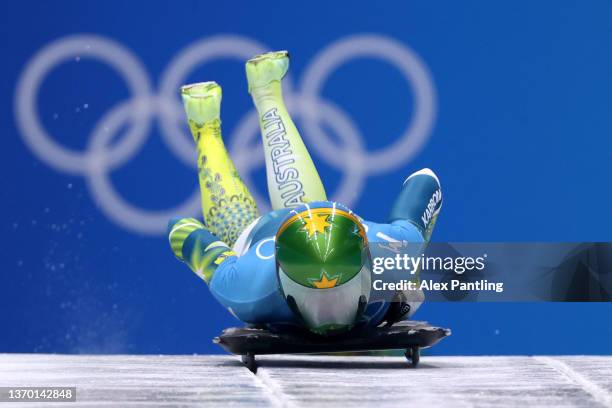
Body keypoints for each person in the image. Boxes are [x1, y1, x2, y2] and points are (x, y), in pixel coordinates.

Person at [168, 51, 442, 335]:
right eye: (314, 295)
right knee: (242, 239)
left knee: (409, 287)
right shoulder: (247, 288)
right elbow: (180, 229)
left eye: (340, 291)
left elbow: (426, 181)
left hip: (311, 224)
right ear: (283, 282)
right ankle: (207, 127)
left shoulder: (394, 253)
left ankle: (257, 96)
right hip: (261, 238)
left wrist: (413, 268)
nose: (329, 313)